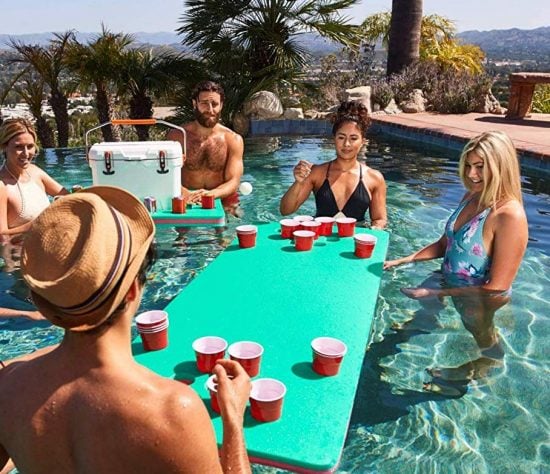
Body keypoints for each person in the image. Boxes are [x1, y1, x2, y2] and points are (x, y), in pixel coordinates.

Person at [0, 186, 251, 473]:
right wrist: (233, 417)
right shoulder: (172, 412)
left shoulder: (8, 389)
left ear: (44, 307)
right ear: (133, 290)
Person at [384, 131, 528, 394]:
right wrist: (406, 259)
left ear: (500, 167)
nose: (472, 174)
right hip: (449, 280)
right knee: (426, 306)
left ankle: (478, 371)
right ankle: (425, 322)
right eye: (469, 166)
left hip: (479, 297)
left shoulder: (509, 216)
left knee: (485, 341)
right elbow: (445, 244)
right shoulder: (471, 196)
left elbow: (496, 287)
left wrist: (438, 292)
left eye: (480, 167)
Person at [279, 101, 387, 228]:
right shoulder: (317, 173)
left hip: (353, 243)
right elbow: (285, 210)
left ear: (362, 141)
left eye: (353, 138)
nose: (347, 144)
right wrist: (298, 182)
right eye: (341, 137)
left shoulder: (374, 178)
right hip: (320, 241)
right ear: (334, 139)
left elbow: (379, 219)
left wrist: (376, 229)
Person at [167, 81, 244, 216]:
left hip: (221, 197)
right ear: (194, 104)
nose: (210, 109)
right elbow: (166, 175)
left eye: (214, 104)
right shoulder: (177, 137)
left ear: (221, 105)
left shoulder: (233, 140)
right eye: (204, 103)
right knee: (179, 235)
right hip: (185, 197)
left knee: (234, 231)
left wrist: (211, 194)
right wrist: (183, 192)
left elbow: (234, 181)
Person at [0, 118, 68, 236]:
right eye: (19, 147)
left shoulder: (35, 172)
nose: (26, 153)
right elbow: (2, 235)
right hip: (20, 253)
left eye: (30, 146)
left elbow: (68, 197)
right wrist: (43, 222)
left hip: (50, 245)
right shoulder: (2, 186)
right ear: (4, 146)